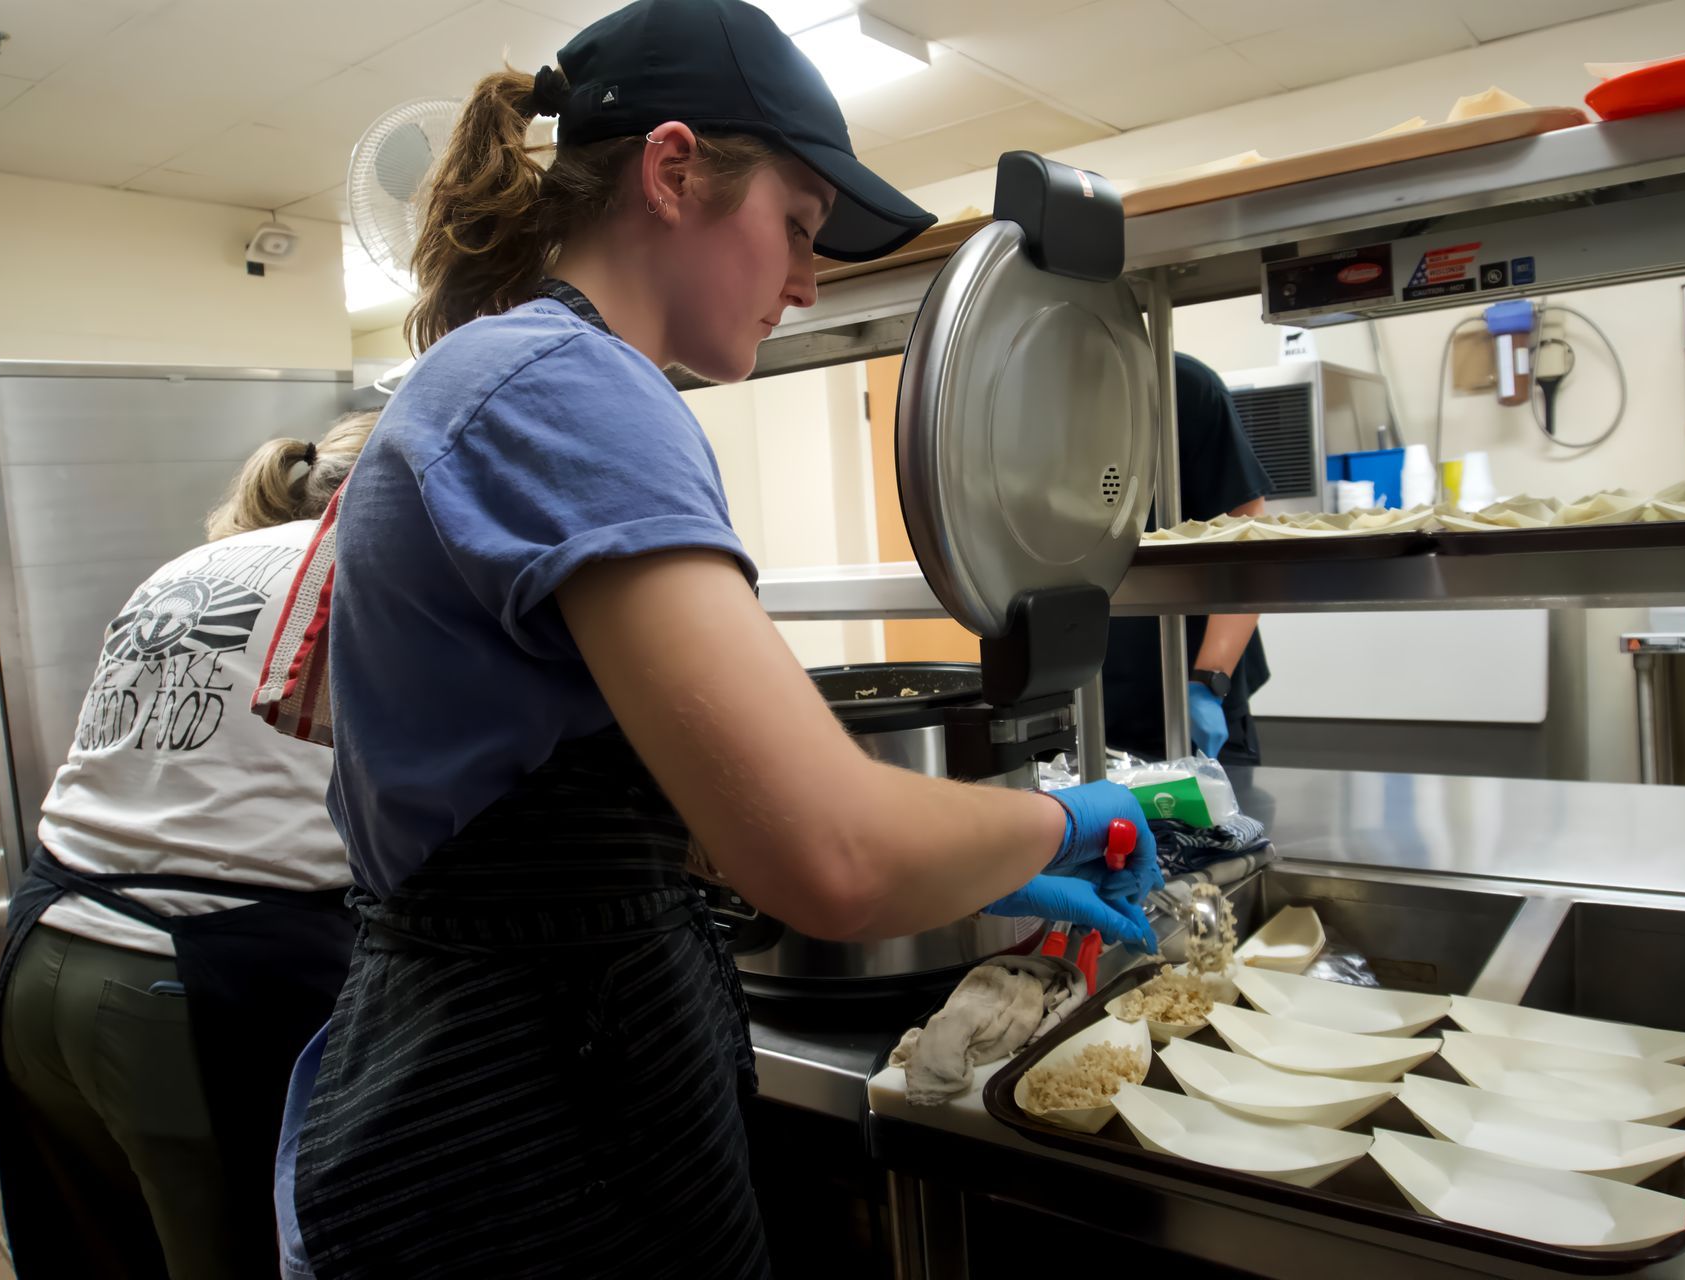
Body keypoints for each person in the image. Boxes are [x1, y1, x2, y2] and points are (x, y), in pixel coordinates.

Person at [269, 2, 1163, 1276]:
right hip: (516, 1139)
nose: (807, 280)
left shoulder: (505, 373)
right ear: (673, 169)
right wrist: (1068, 820)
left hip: (512, 1087)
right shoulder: (569, 390)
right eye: (797, 226)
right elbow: (831, 855)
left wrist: (979, 869)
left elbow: (615, 807)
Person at [0, 411, 376, 1280]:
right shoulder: (360, 564)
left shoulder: (182, 568)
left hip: (42, 950)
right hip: (184, 985)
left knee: (102, 1254)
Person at [1102, 354, 1272, 765]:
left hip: (1191, 694)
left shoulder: (1182, 387)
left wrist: (1208, 681)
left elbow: (1249, 536)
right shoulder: (1033, 401)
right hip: (1087, 709)